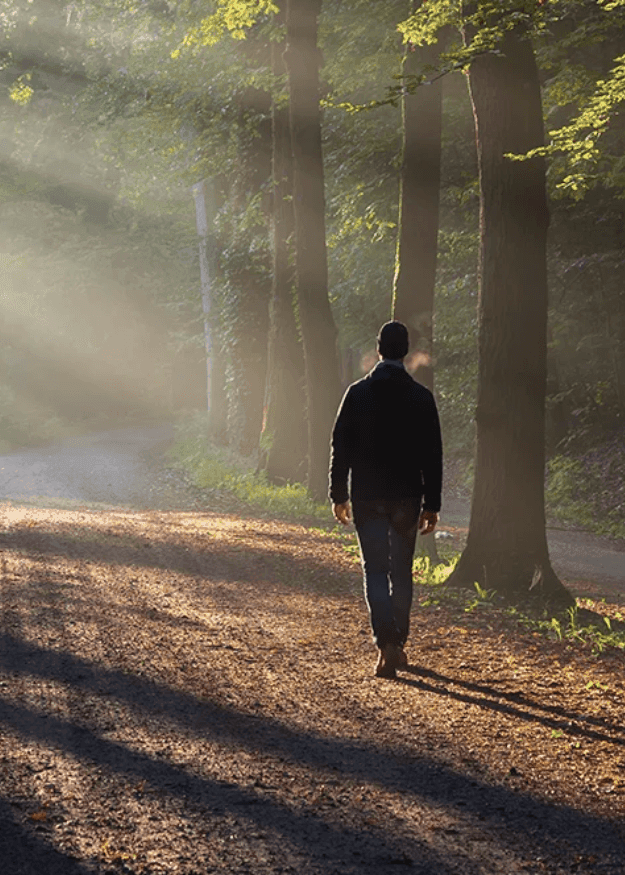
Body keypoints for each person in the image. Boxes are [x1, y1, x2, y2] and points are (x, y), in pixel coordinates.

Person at [329, 320, 443, 679]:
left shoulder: (357, 394)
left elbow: (340, 446)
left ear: (378, 349)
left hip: (366, 496)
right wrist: (433, 503)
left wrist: (338, 493)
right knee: (401, 571)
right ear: (405, 352)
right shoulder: (421, 398)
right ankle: (398, 641)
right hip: (407, 497)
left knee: (375, 569)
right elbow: (433, 454)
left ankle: (385, 643)